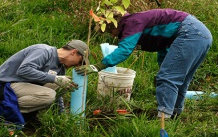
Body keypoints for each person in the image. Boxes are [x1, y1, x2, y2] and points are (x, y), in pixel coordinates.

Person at [75, 9, 213, 118]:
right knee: (178, 79)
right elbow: (164, 47)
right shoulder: (137, 22)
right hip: (200, 34)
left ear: (114, 24)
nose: (111, 35)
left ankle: (163, 120)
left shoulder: (132, 22)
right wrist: (163, 68)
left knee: (168, 78)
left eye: (110, 31)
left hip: (190, 33)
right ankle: (175, 115)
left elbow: (124, 50)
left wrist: (98, 66)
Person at [0, 39, 89, 125]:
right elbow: (23, 70)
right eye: (80, 61)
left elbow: (58, 95)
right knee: (48, 95)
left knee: (63, 84)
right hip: (5, 84)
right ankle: (6, 109)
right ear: (73, 52)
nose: (78, 65)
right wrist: (55, 78)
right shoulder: (43, 51)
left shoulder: (60, 68)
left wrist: (62, 115)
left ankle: (26, 114)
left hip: (20, 86)